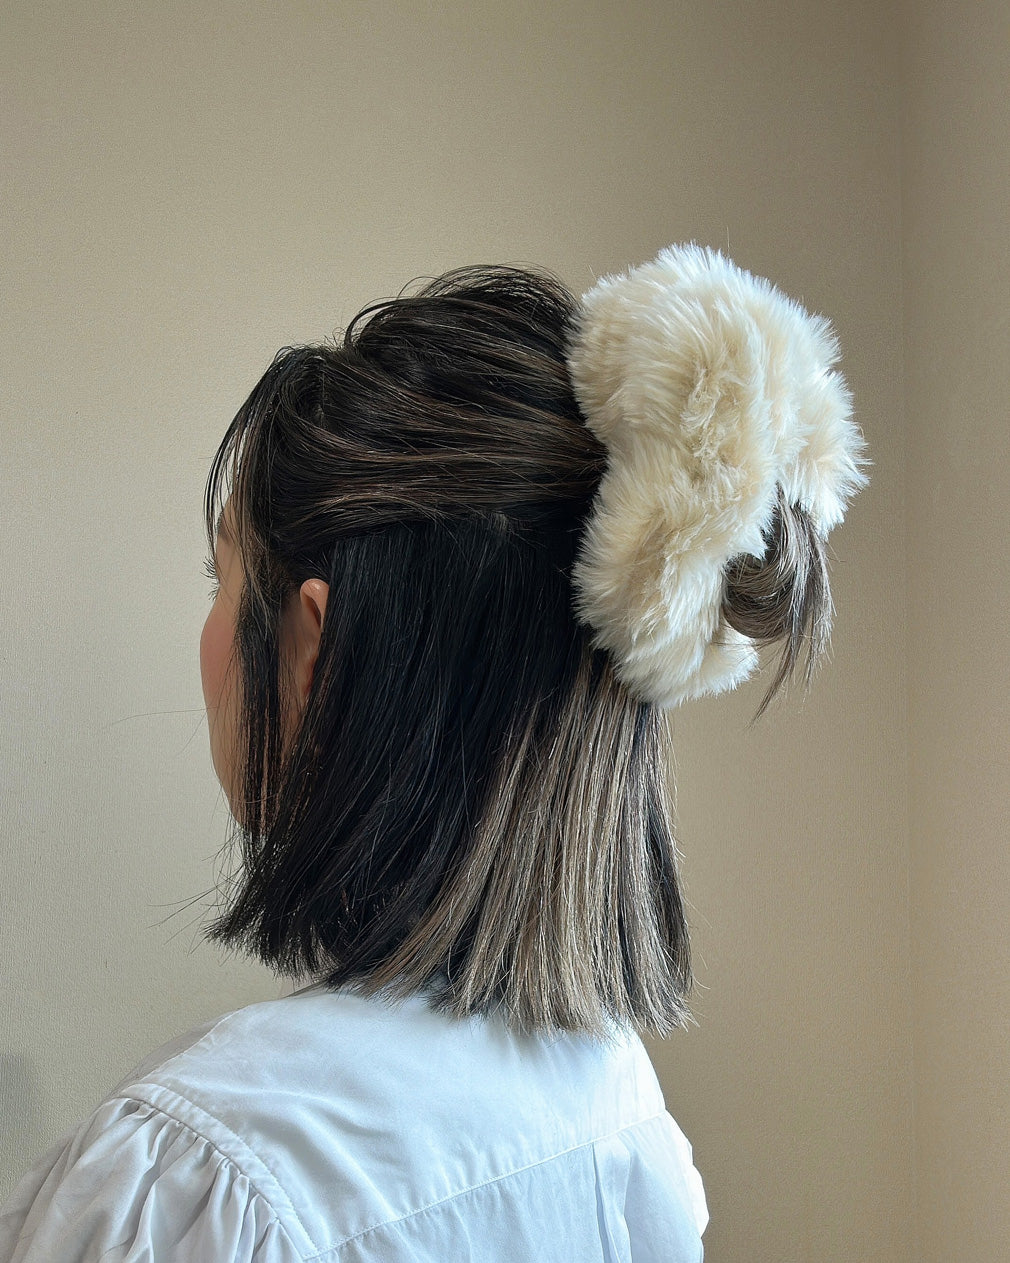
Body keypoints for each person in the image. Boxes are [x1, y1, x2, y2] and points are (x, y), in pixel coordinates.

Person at [0, 244, 868, 1261]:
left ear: (312, 649)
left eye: (219, 579)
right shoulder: (620, 1116)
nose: (207, 630)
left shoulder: (202, 1180)